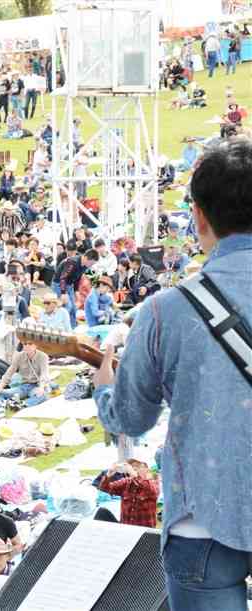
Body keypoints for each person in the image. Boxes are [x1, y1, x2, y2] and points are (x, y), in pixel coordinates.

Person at [94, 138, 252, 611]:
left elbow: (130, 419)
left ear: (199, 217)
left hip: (203, 519)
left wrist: (105, 388)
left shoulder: (168, 309)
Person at [97, 459, 159, 528]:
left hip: (143, 532)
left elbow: (148, 487)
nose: (134, 468)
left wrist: (134, 474)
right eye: (132, 466)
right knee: (101, 512)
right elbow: (104, 488)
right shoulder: (126, 482)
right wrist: (109, 474)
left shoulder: (152, 483)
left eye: (137, 466)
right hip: (126, 530)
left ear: (146, 469)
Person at [0, 340, 52, 407]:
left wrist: (41, 387)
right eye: (25, 344)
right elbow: (10, 372)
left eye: (30, 344)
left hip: (37, 385)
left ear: (36, 345)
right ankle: (5, 403)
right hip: (24, 386)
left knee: (42, 395)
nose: (27, 346)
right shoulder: (19, 356)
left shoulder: (43, 356)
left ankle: (21, 405)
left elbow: (44, 373)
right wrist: (0, 386)